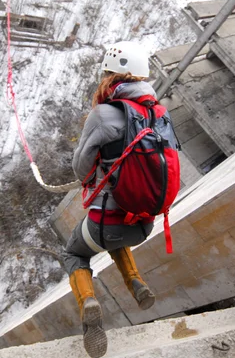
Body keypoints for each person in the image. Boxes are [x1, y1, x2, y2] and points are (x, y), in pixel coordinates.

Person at [65, 41, 157, 358]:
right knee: (116, 235)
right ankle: (136, 282)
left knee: (75, 254)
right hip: (145, 224)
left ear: (109, 76)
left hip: (104, 224)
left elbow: (80, 167)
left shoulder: (104, 115)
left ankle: (89, 304)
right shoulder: (159, 114)